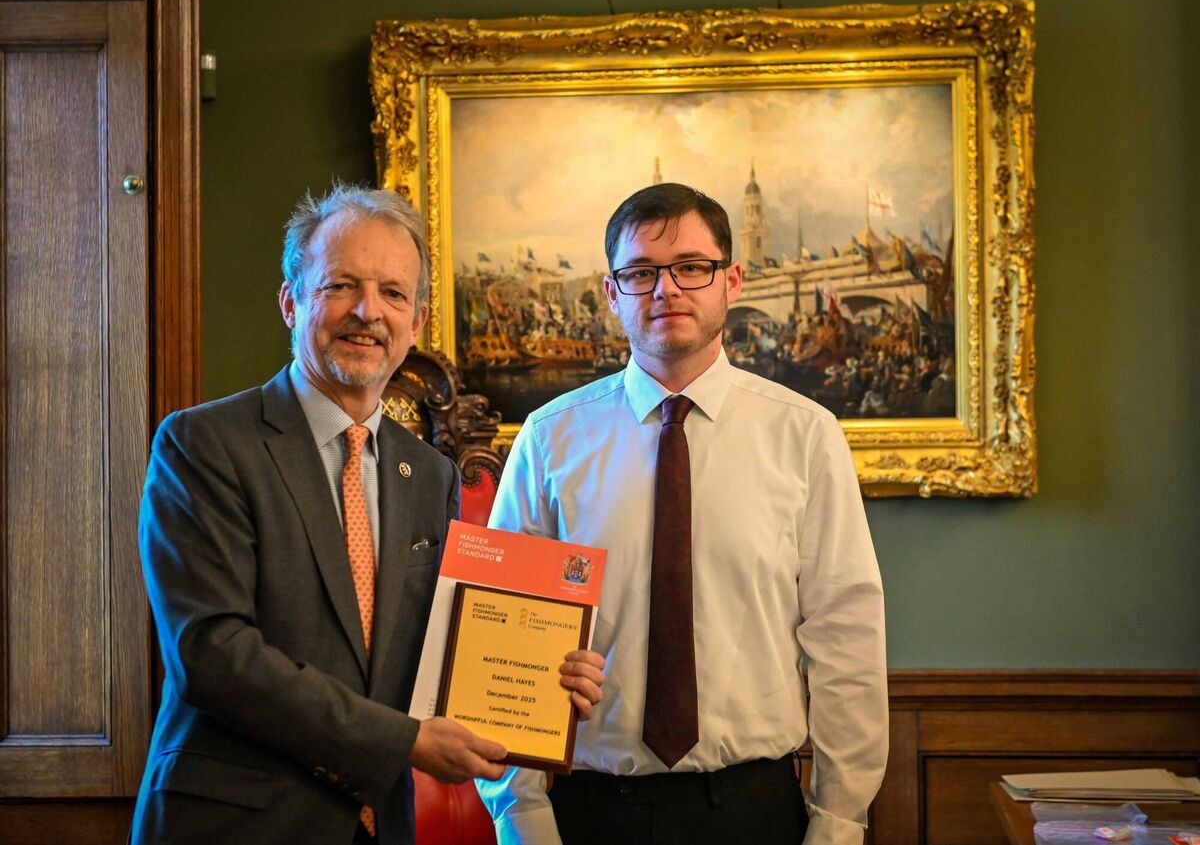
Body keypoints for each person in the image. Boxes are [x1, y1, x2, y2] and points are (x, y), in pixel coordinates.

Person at [131, 184, 603, 845]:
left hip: (377, 827)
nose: (367, 311)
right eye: (341, 285)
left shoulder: (428, 473)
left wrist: (543, 683)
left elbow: (426, 664)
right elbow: (212, 655)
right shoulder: (203, 444)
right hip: (234, 825)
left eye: (392, 292)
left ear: (417, 321)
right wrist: (405, 739)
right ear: (292, 300)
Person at [477, 183, 887, 845]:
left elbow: (847, 641)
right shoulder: (548, 440)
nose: (667, 289)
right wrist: (519, 815)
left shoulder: (805, 436)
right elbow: (500, 646)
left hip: (754, 809)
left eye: (691, 267)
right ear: (612, 294)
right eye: (640, 273)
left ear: (732, 278)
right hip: (590, 811)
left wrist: (839, 821)